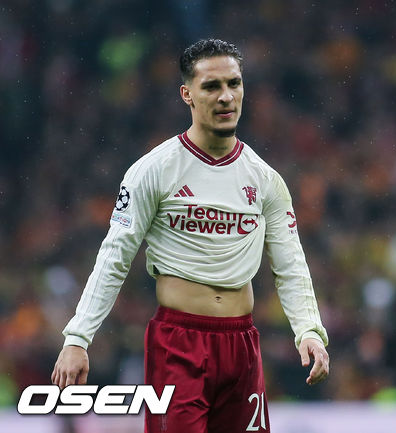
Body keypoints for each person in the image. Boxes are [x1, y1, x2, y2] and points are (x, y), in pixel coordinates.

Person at [51, 38, 329, 432]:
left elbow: (290, 263)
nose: (225, 96)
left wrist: (308, 330)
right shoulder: (154, 170)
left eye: (234, 84)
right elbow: (114, 257)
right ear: (187, 94)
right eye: (211, 86)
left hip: (242, 345)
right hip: (178, 343)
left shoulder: (266, 180)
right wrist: (78, 337)